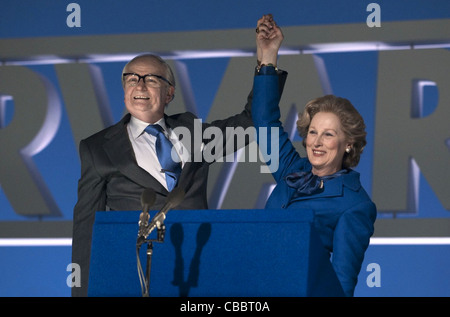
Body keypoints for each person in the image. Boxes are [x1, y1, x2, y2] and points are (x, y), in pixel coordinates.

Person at [71, 50, 287, 295]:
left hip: (198, 269)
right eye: (132, 79)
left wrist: (267, 60)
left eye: (151, 79)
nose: (139, 85)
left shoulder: (192, 133)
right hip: (137, 275)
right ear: (124, 92)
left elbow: (249, 122)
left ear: (169, 93)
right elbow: (86, 228)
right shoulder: (97, 148)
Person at [253, 15, 377, 297]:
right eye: (312, 132)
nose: (317, 143)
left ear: (348, 144)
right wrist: (269, 57)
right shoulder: (290, 169)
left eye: (329, 134)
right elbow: (263, 121)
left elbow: (341, 284)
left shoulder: (356, 205)